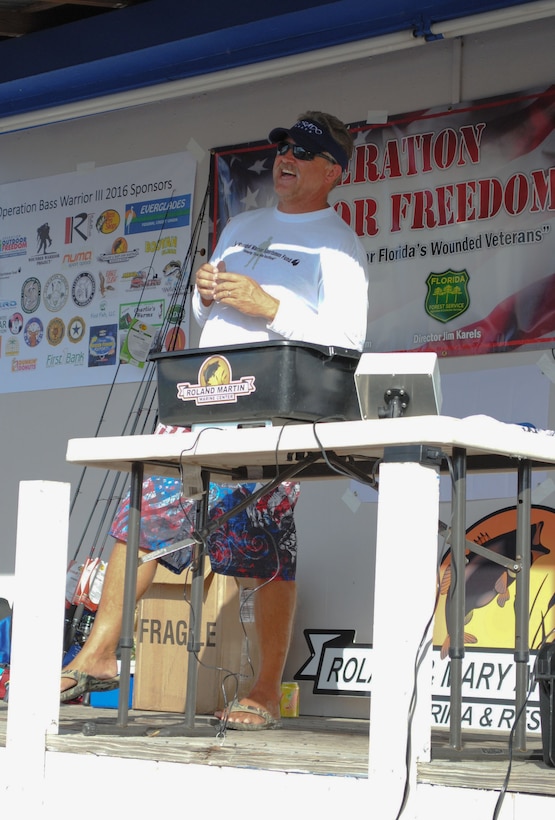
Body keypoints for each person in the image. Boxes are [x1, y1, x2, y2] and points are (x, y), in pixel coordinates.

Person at [60, 110, 369, 729]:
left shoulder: (339, 245)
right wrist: (208, 294)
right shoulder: (244, 225)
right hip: (202, 402)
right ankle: (95, 656)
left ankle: (261, 689)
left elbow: (347, 342)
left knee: (264, 556)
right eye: (284, 145)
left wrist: (270, 304)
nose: (286, 156)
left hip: (270, 419)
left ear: (331, 171)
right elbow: (214, 324)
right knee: (142, 516)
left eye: (304, 152)